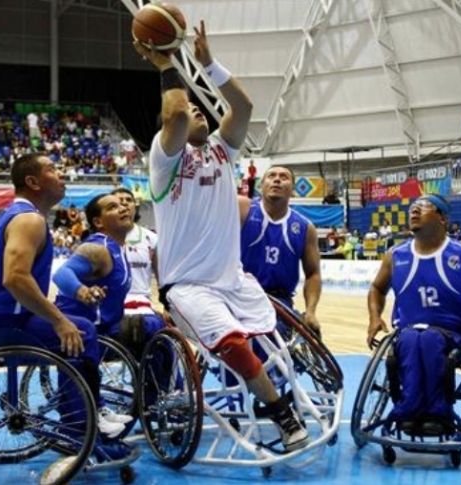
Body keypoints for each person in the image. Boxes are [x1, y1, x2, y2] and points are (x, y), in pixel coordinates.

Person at [135, 20, 309, 451]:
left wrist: (209, 64)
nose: (196, 110)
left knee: (276, 341)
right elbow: (176, 113)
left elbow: (243, 107)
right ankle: (282, 414)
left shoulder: (219, 150)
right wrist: (166, 61)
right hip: (188, 286)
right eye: (189, 109)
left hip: (233, 279)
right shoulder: (165, 159)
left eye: (201, 107)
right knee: (232, 345)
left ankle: (292, 387)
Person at [0, 154, 126, 441]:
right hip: (2, 325)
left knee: (76, 327)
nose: (62, 175)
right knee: (82, 331)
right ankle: (81, 428)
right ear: (33, 182)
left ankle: (93, 410)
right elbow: (15, 278)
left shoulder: (19, 216)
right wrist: (59, 320)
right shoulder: (29, 220)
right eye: (52, 170)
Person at [366, 194, 461, 435]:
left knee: (428, 339)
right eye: (412, 207)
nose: (414, 211)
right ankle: (411, 411)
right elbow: (377, 289)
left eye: (423, 207)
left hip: (453, 333)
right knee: (412, 339)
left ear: (442, 218)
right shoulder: (395, 256)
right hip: (408, 332)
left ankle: (438, 413)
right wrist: (374, 318)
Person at [52, 193, 136, 426]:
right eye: (113, 207)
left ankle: (155, 402)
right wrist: (82, 291)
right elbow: (61, 274)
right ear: (98, 221)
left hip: (105, 326)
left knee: (152, 327)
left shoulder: (119, 248)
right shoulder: (97, 248)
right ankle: (85, 415)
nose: (122, 208)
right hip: (78, 326)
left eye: (123, 204)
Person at [239, 165, 322, 335]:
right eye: (271, 176)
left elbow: (313, 274)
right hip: (239, 294)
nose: (277, 179)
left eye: (284, 177)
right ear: (261, 186)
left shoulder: (305, 228)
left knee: (273, 336)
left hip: (278, 301)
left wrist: (311, 311)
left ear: (293, 190)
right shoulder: (243, 210)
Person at [110, 187, 166, 359]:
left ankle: (160, 376)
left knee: (164, 341)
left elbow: (162, 278)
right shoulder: (102, 238)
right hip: (113, 304)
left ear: (135, 206)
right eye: (118, 201)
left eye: (128, 200)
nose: (124, 204)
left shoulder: (151, 238)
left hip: (142, 303)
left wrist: (167, 307)